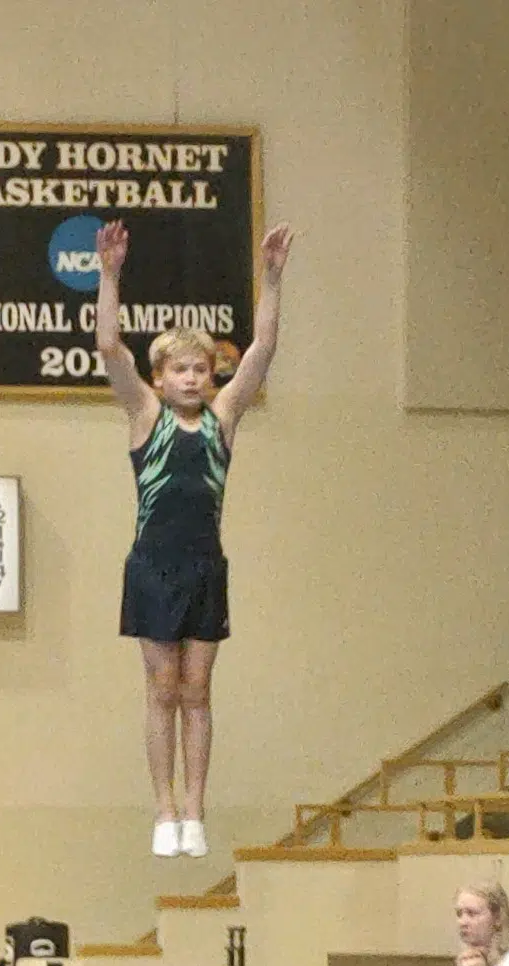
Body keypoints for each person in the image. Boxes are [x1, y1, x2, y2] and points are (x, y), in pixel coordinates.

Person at [95, 214, 294, 860]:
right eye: (178, 369)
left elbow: (262, 350)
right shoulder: (144, 416)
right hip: (152, 567)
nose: (190, 378)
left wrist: (270, 276)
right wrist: (109, 276)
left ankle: (196, 810)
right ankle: (163, 810)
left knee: (198, 690)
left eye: (200, 370)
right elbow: (109, 350)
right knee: (161, 689)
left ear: (211, 376)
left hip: (204, 566)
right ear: (159, 378)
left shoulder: (223, 417)